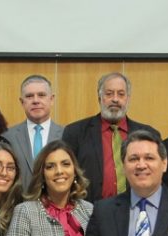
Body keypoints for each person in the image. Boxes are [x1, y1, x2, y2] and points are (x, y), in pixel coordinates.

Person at [62, 72, 160, 202]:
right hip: (89, 211)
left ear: (128, 98)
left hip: (138, 210)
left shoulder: (149, 134)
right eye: (109, 94)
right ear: (100, 98)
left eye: (121, 94)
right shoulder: (75, 133)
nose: (115, 99)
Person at [2, 75, 65, 189]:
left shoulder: (67, 134)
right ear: (22, 102)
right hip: (18, 204)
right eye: (29, 96)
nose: (36, 101)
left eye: (41, 95)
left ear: (51, 99)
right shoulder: (7, 137)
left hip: (56, 204)